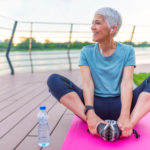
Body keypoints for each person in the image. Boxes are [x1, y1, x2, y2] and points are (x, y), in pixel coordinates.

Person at [47, 7, 150, 138]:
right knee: (54, 80)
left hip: (123, 104)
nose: (92, 27)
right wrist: (90, 111)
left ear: (113, 29)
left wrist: (125, 114)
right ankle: (96, 123)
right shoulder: (86, 51)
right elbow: (88, 83)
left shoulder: (128, 51)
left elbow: (126, 84)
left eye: (97, 23)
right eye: (92, 23)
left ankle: (127, 124)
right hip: (94, 106)